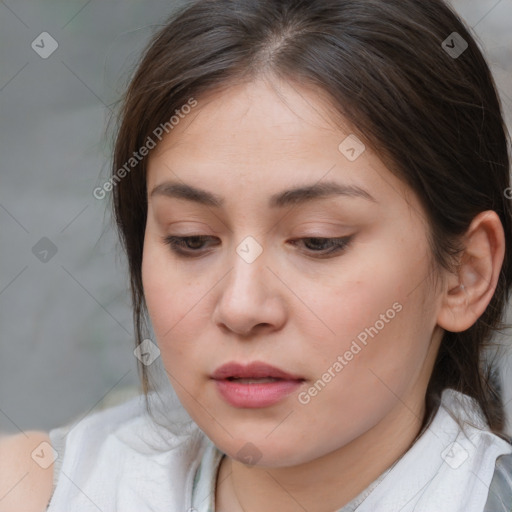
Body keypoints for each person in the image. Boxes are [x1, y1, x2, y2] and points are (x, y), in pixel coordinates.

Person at [1, 0, 511, 510]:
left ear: (465, 274)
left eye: (318, 240)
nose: (241, 307)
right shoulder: (36, 489)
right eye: (191, 239)